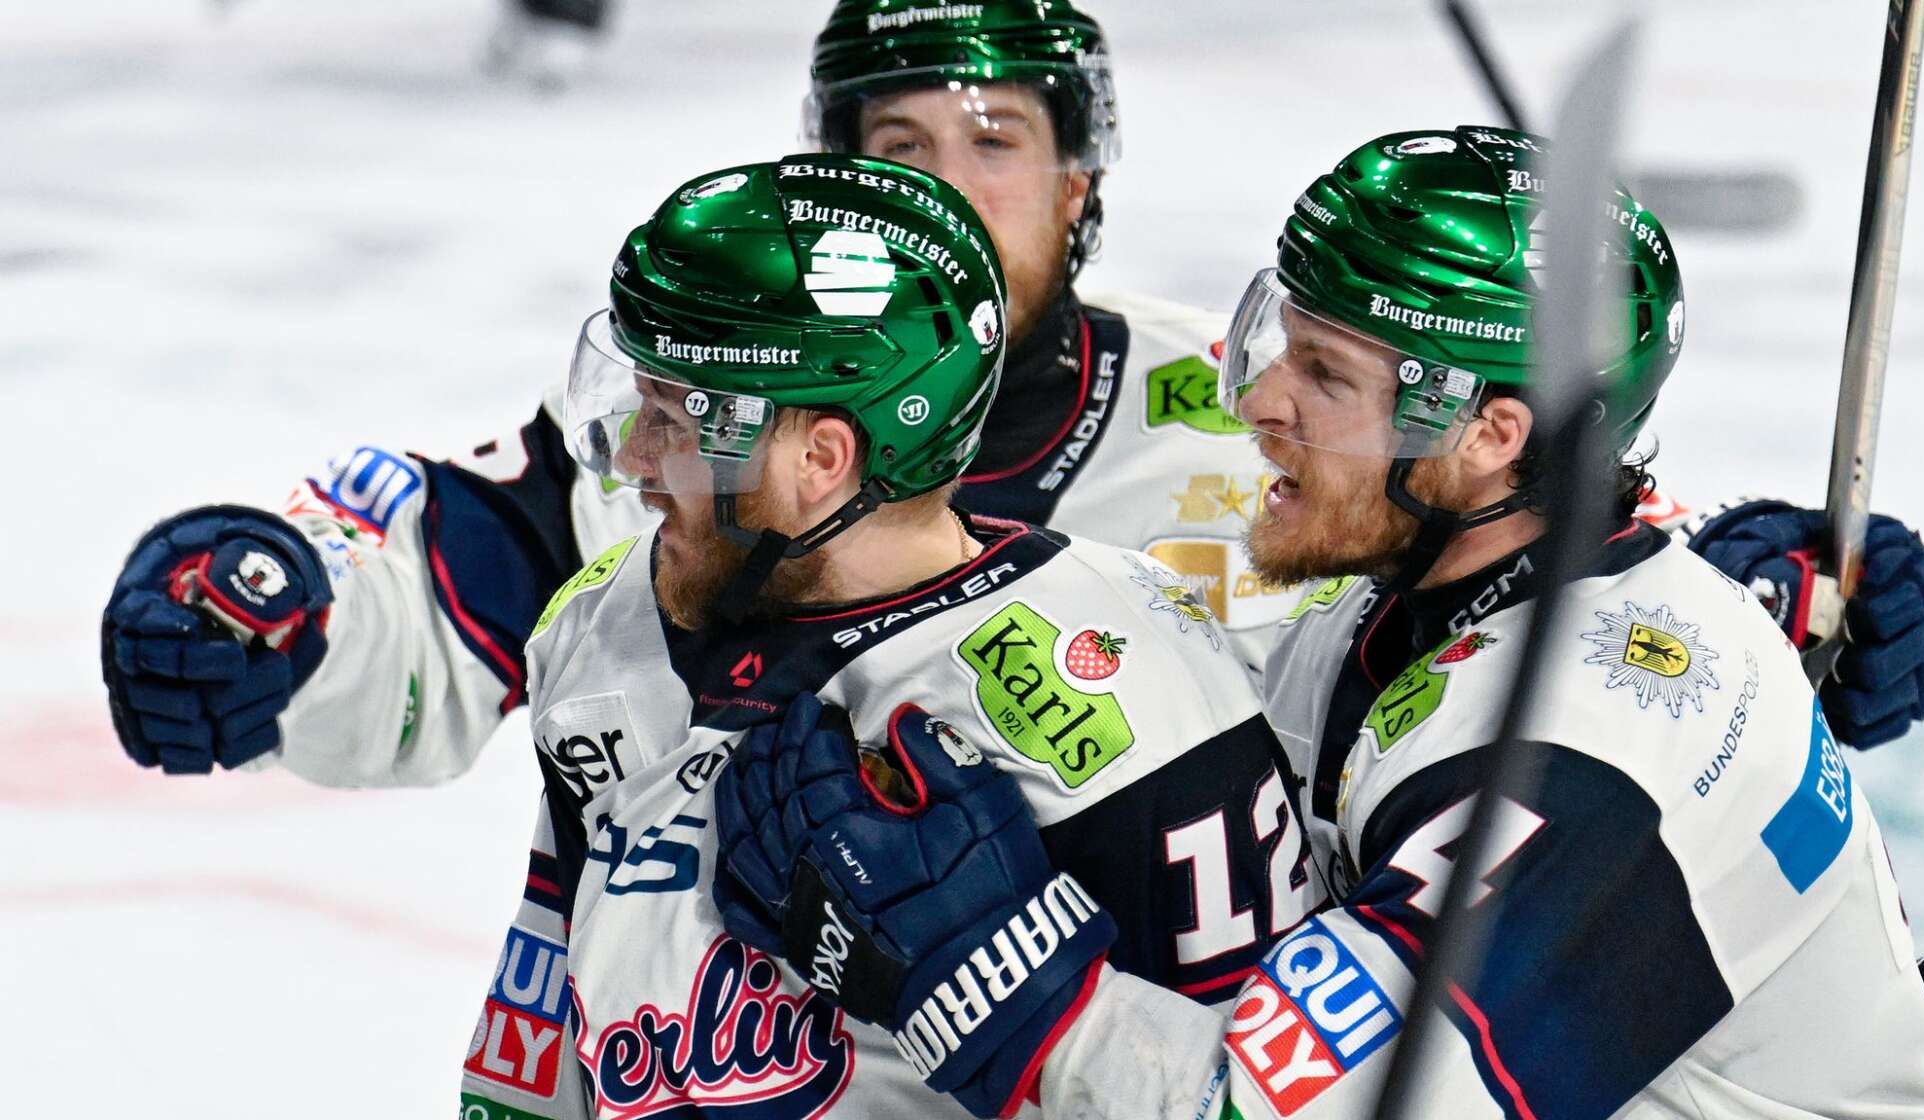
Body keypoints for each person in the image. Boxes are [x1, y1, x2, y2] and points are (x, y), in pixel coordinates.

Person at [97, 0, 1924, 794]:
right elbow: (449, 578)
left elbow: (1499, 595)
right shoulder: (712, 429)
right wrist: (284, 606)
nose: (950, 182)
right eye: (895, 143)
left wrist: (1763, 611)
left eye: (998, 140)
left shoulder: (1254, 423)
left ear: (1081, 182)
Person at [708, 128, 1924, 1119]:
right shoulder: (1417, 600)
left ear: (1490, 435)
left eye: (1326, 376)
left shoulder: (1589, 768)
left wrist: (976, 974)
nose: (1256, 400)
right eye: (1276, 340)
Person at [460, 153, 1320, 1119]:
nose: (630, 457)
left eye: (672, 414)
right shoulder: (602, 623)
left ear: (822, 458)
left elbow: (1247, 1096)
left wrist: (1012, 990)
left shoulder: (1130, 688)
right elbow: (546, 1018)